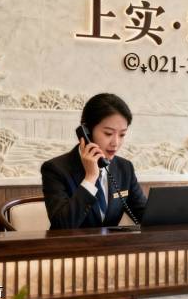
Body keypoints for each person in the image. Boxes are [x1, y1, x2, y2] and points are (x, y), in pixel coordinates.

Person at [41, 93, 146, 229]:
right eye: (108, 133)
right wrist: (90, 178)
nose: (115, 143)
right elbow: (62, 225)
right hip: (72, 243)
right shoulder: (55, 169)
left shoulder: (125, 168)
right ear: (87, 132)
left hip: (112, 244)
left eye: (122, 135)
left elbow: (146, 216)